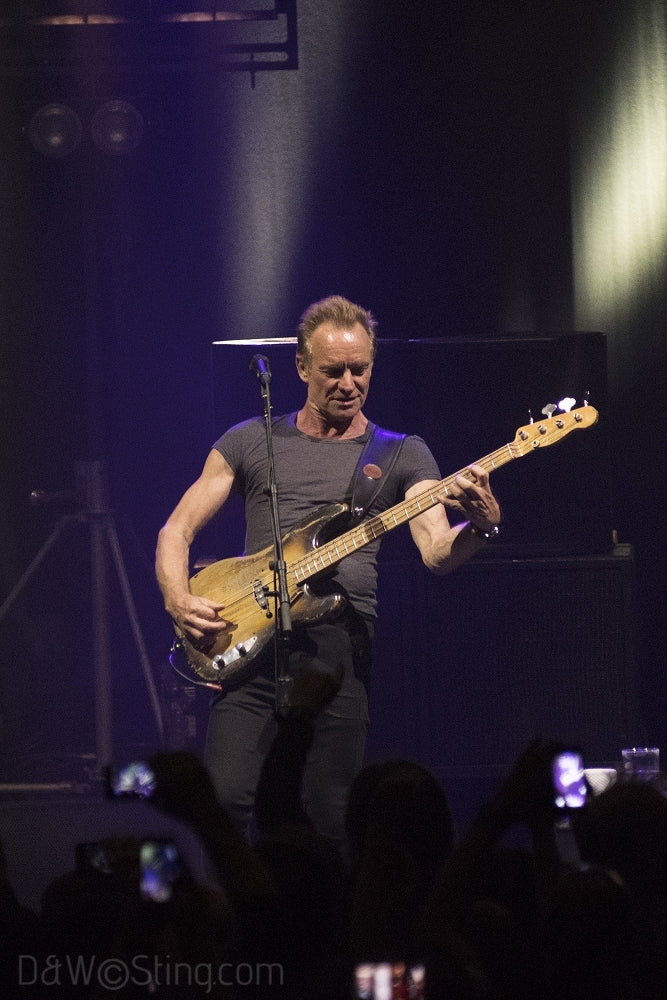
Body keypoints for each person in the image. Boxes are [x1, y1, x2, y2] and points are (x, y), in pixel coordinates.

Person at [155, 294, 501, 846]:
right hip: (248, 640)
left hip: (338, 651)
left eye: (360, 369)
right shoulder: (250, 440)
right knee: (222, 803)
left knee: (330, 815)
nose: (348, 382)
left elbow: (436, 551)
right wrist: (178, 599)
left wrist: (481, 528)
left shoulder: (401, 454)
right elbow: (176, 531)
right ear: (300, 367)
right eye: (332, 370)